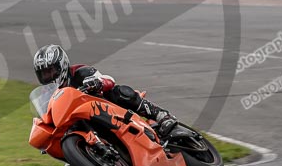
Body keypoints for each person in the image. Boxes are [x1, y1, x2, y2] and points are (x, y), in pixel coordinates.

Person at [32, 44, 177, 136]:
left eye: (50, 71)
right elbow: (48, 115)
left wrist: (97, 82)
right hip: (84, 124)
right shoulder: (47, 94)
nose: (48, 76)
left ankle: (162, 116)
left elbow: (109, 80)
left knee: (119, 92)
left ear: (61, 66)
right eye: (43, 74)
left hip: (108, 110)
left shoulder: (80, 72)